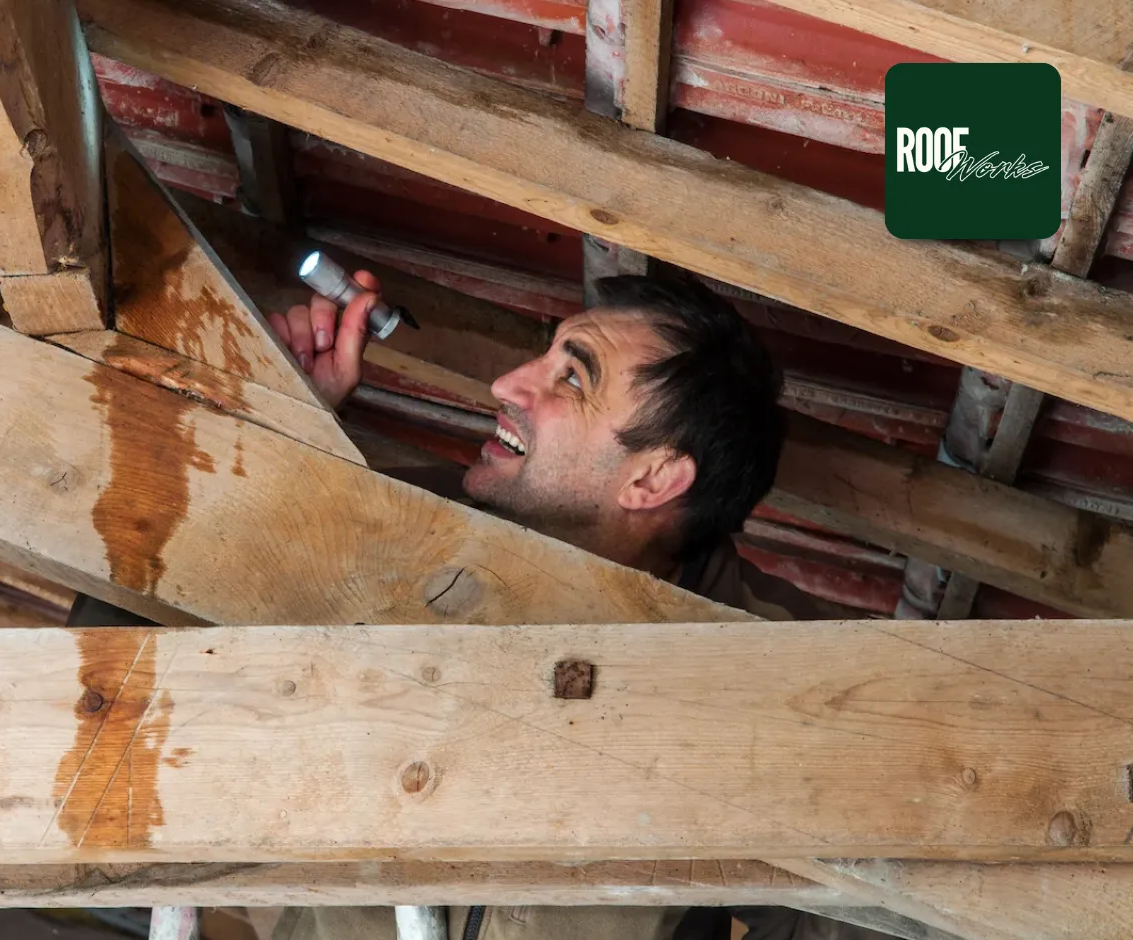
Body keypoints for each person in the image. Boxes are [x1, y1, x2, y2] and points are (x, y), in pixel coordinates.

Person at [259, 270, 889, 940]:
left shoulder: (774, 665)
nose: (506, 385)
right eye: (544, 357)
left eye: (572, 379)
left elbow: (870, 918)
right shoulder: (392, 525)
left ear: (652, 477)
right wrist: (284, 428)